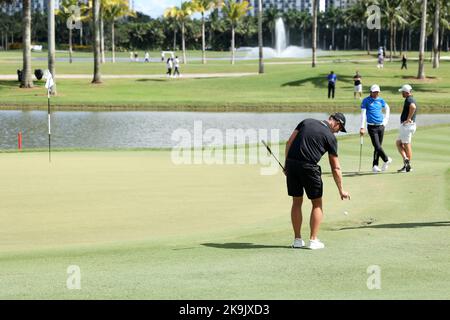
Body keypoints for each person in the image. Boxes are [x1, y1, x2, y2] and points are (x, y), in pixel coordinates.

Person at [285, 113, 350, 250]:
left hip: (292, 165)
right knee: (317, 204)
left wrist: (287, 165)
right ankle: (313, 240)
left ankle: (297, 240)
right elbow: (335, 167)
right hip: (309, 168)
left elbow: (289, 143)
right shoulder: (330, 137)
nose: (337, 132)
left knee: (297, 201)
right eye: (339, 129)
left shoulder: (306, 121)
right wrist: (341, 190)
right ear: (336, 122)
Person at [360, 84, 392, 173]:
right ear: (371, 92)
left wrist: (386, 121)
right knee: (377, 146)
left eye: (377, 92)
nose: (376, 94)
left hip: (381, 126)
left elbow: (387, 108)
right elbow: (363, 114)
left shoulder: (380, 100)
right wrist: (362, 127)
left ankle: (375, 165)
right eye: (374, 92)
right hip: (371, 127)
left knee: (378, 147)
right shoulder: (366, 101)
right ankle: (386, 159)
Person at [396, 84, 418, 173]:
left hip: (407, 126)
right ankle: (406, 160)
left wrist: (408, 119)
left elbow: (413, 107)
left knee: (406, 145)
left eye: (402, 92)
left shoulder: (409, 99)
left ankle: (408, 166)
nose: (401, 93)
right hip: (408, 126)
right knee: (398, 143)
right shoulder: (409, 99)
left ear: (406, 92)